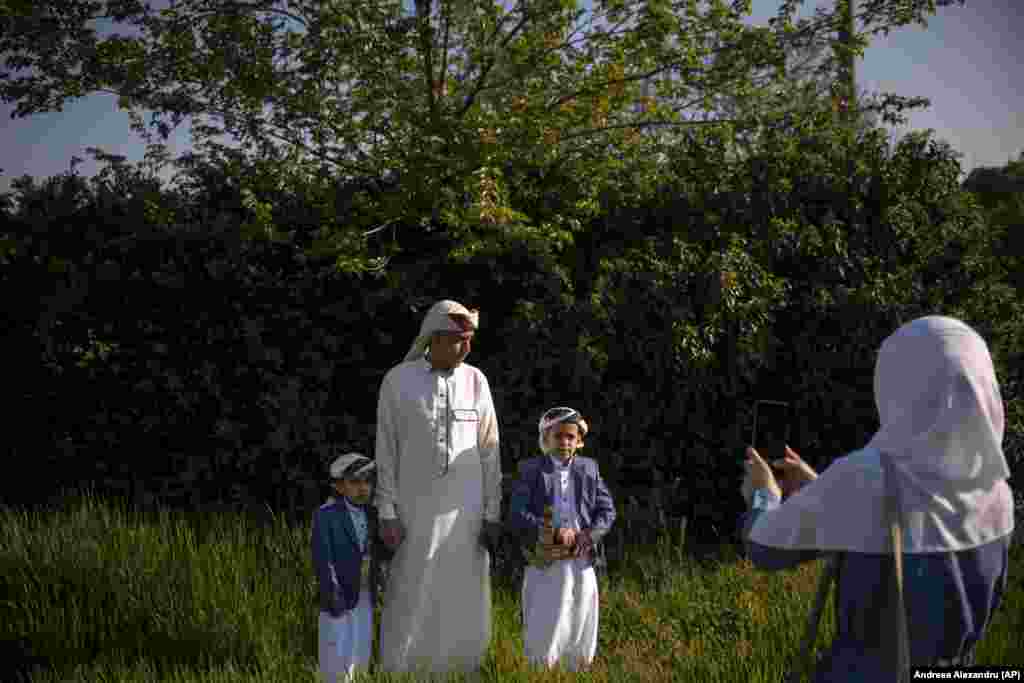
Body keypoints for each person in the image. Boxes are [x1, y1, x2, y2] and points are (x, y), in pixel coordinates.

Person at [741, 315, 1015, 680]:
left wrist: (764, 492)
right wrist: (819, 487)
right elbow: (905, 523)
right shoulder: (997, 490)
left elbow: (764, 548)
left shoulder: (865, 479)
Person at [374, 299, 503, 675]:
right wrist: (386, 510)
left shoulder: (476, 380)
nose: (467, 347)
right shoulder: (398, 381)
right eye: (459, 339)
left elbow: (489, 449)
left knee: (464, 587)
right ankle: (402, 667)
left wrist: (492, 511)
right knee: (411, 583)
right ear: (434, 338)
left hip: (467, 509)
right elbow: (386, 449)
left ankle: (464, 664)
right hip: (413, 508)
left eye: (469, 340)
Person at [507, 406, 616, 671]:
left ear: (579, 441)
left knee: (580, 615)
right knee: (546, 617)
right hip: (546, 558)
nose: (565, 442)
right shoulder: (530, 470)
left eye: (571, 437)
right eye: (558, 436)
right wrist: (553, 532)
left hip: (581, 558)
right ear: (546, 439)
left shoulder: (589, 468)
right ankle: (541, 668)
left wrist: (589, 535)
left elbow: (607, 510)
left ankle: (577, 667)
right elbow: (517, 513)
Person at [311, 452, 381, 683]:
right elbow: (324, 559)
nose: (363, 488)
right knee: (337, 655)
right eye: (355, 482)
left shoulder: (373, 515)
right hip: (338, 595)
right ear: (340, 486)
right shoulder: (326, 516)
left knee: (361, 651)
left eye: (367, 481)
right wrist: (332, 592)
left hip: (365, 594)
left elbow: (378, 553)